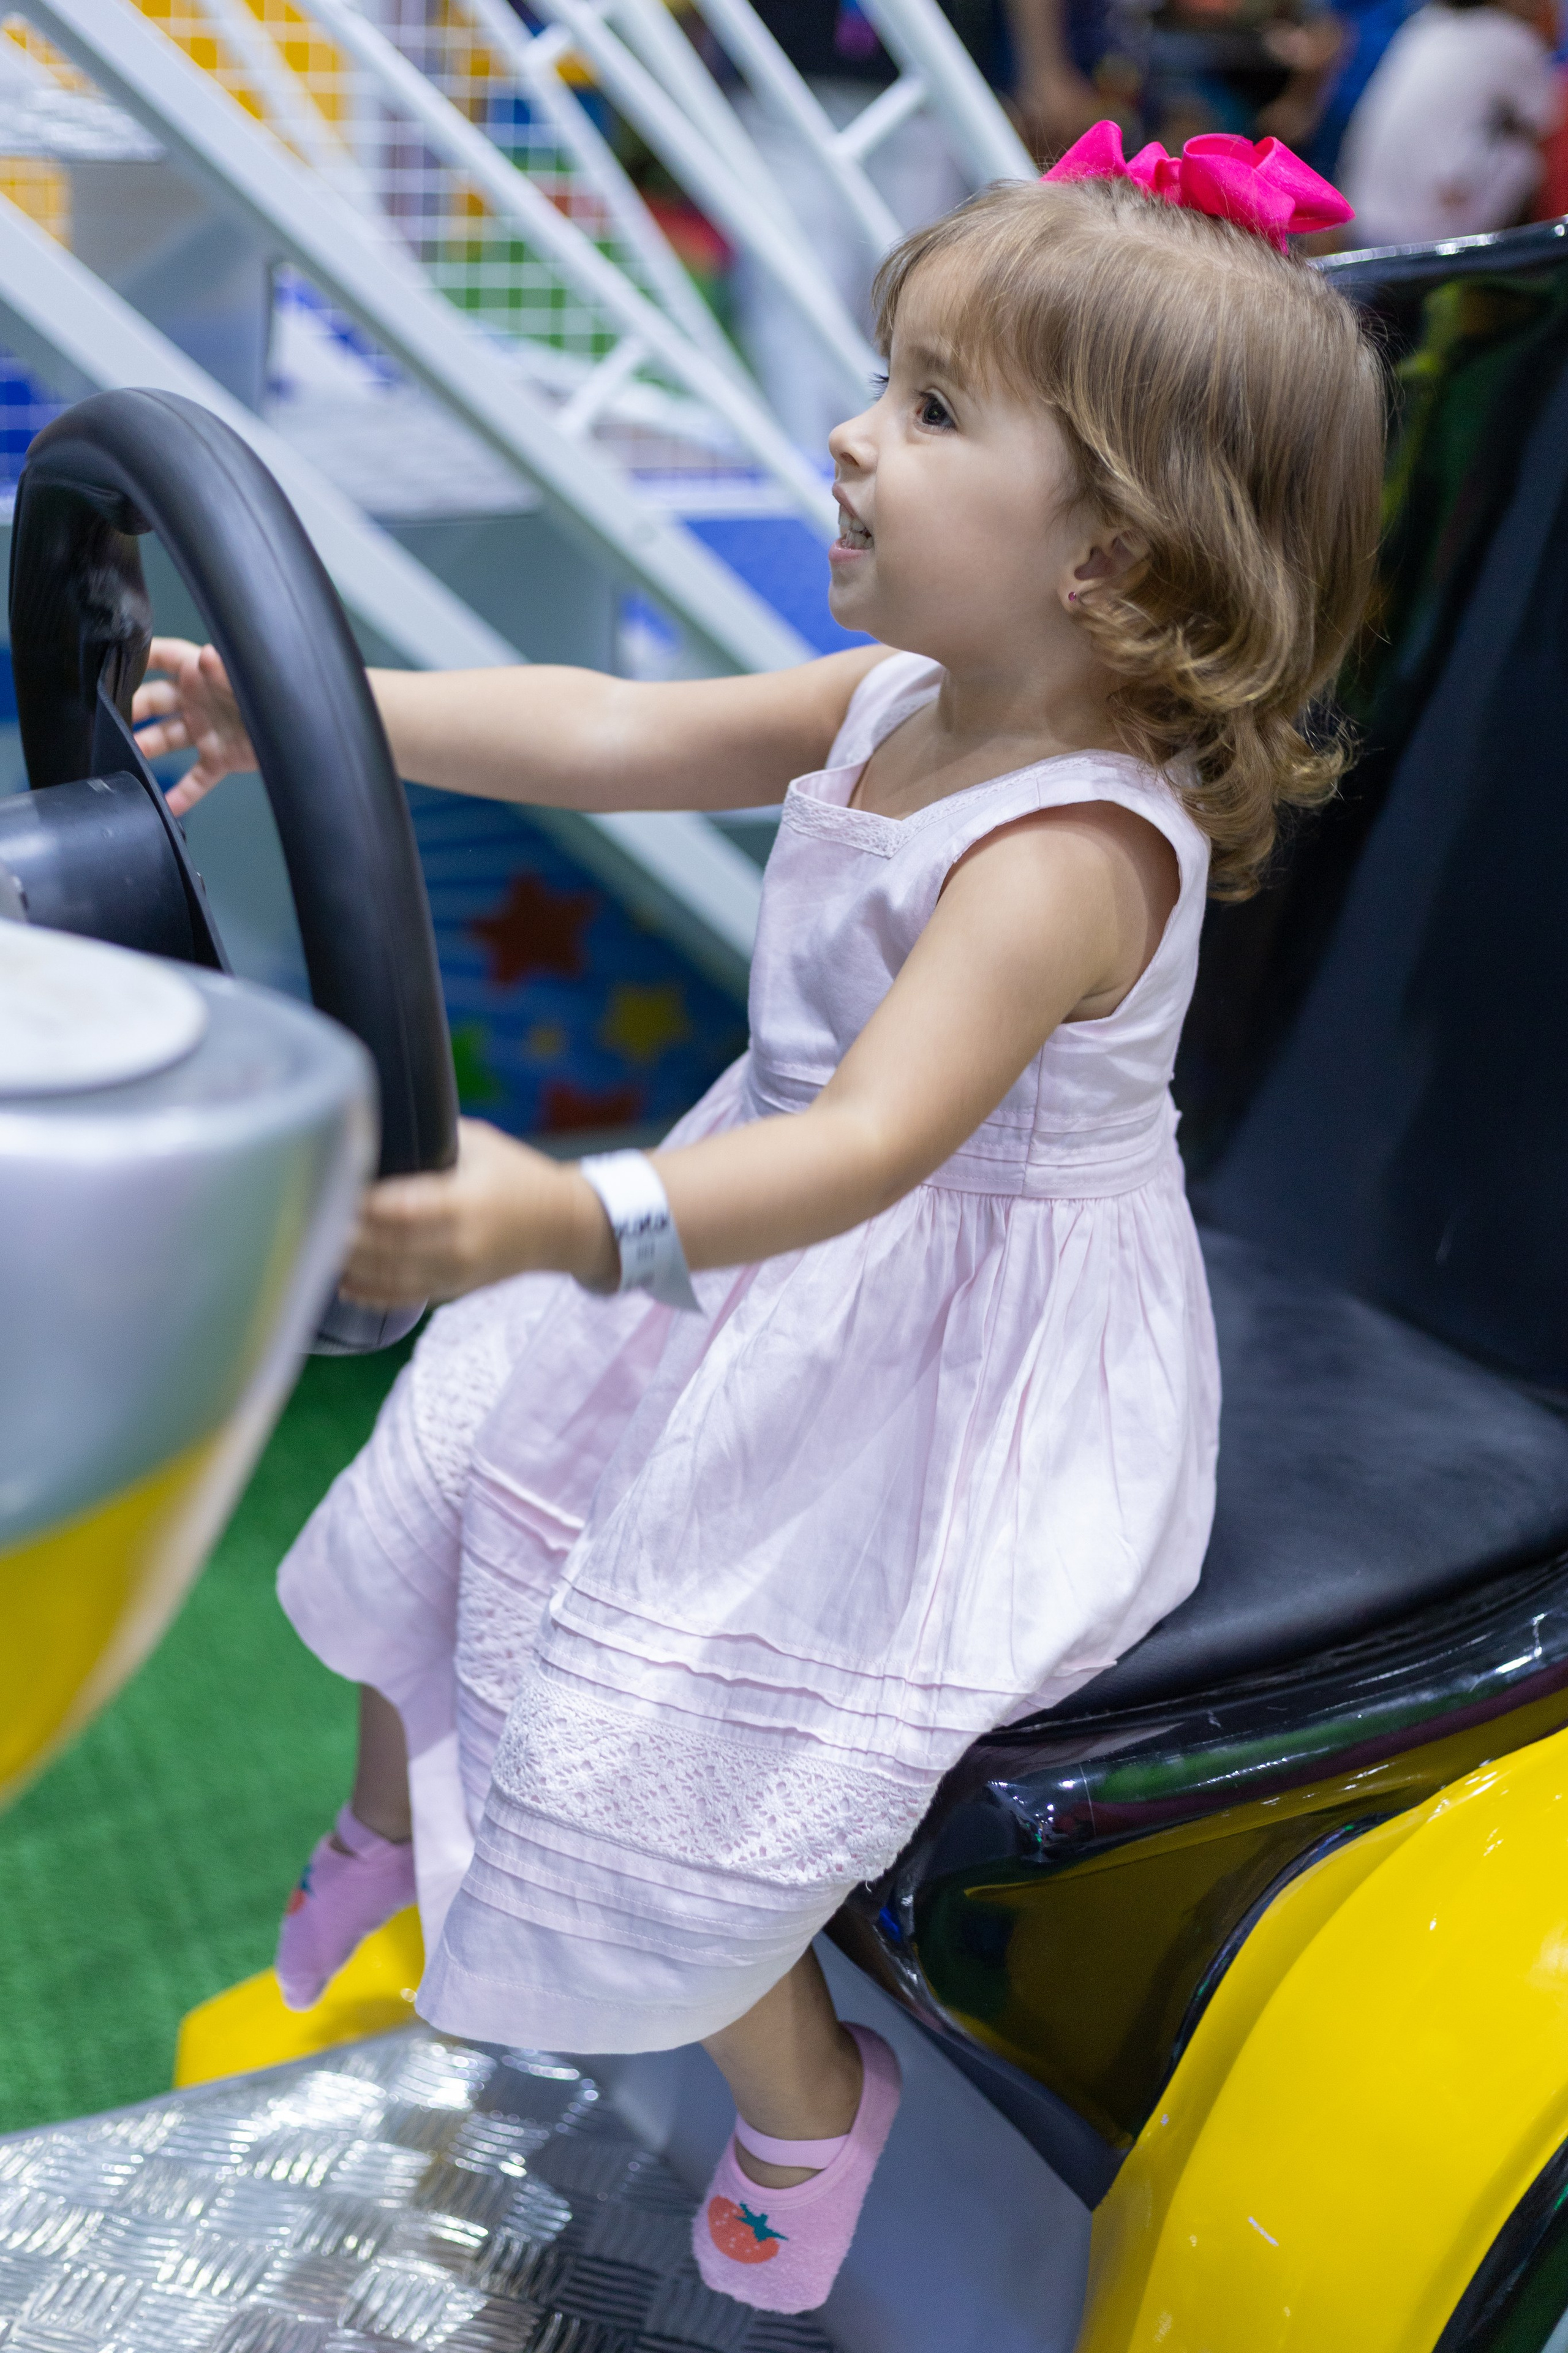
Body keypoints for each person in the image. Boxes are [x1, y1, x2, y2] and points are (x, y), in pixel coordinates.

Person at [133, 137, 1381, 2316]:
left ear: (1105, 558)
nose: (844, 431)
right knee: (447, 1467)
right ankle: (398, 1834)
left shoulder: (1065, 849)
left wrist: (574, 1212)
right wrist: (307, 710)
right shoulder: (904, 700)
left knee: (669, 1724)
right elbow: (618, 728)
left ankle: (807, 2106)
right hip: (753, 1242)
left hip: (935, 1331)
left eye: (924, 406)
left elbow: (874, 1143)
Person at [1336, 0, 1560, 244]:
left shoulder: (1423, 24)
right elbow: (1546, 129)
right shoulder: (1511, 40)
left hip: (1358, 219)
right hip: (1427, 234)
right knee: (1529, 159)